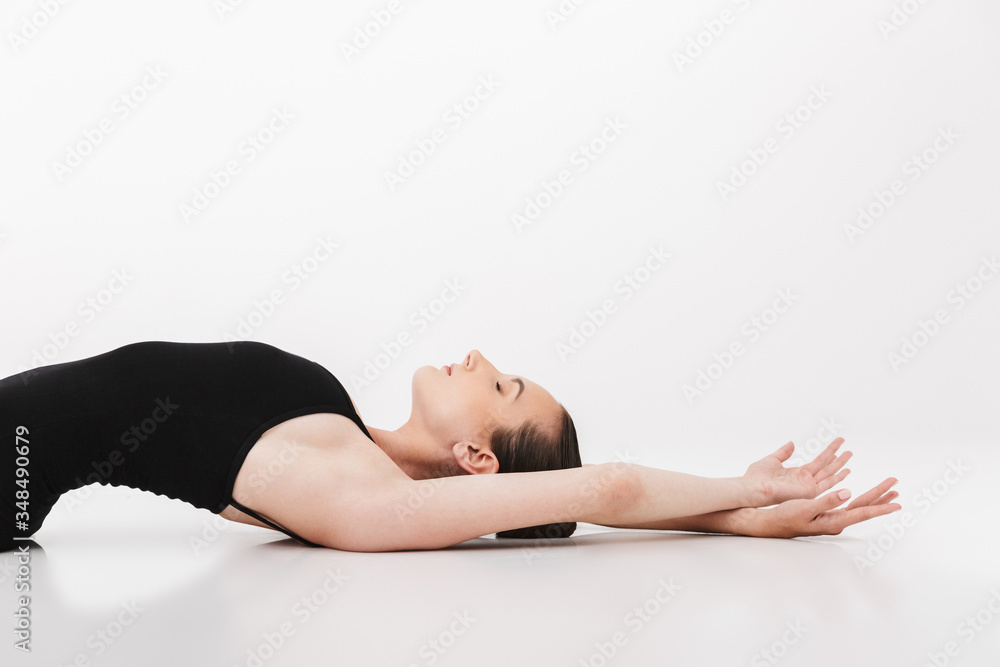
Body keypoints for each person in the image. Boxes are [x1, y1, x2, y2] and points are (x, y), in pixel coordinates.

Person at [0, 341, 900, 553]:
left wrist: (743, 498)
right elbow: (587, 497)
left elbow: (608, 488)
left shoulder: (354, 495)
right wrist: (729, 510)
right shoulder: (342, 430)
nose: (478, 357)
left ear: (477, 459)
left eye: (501, 387)